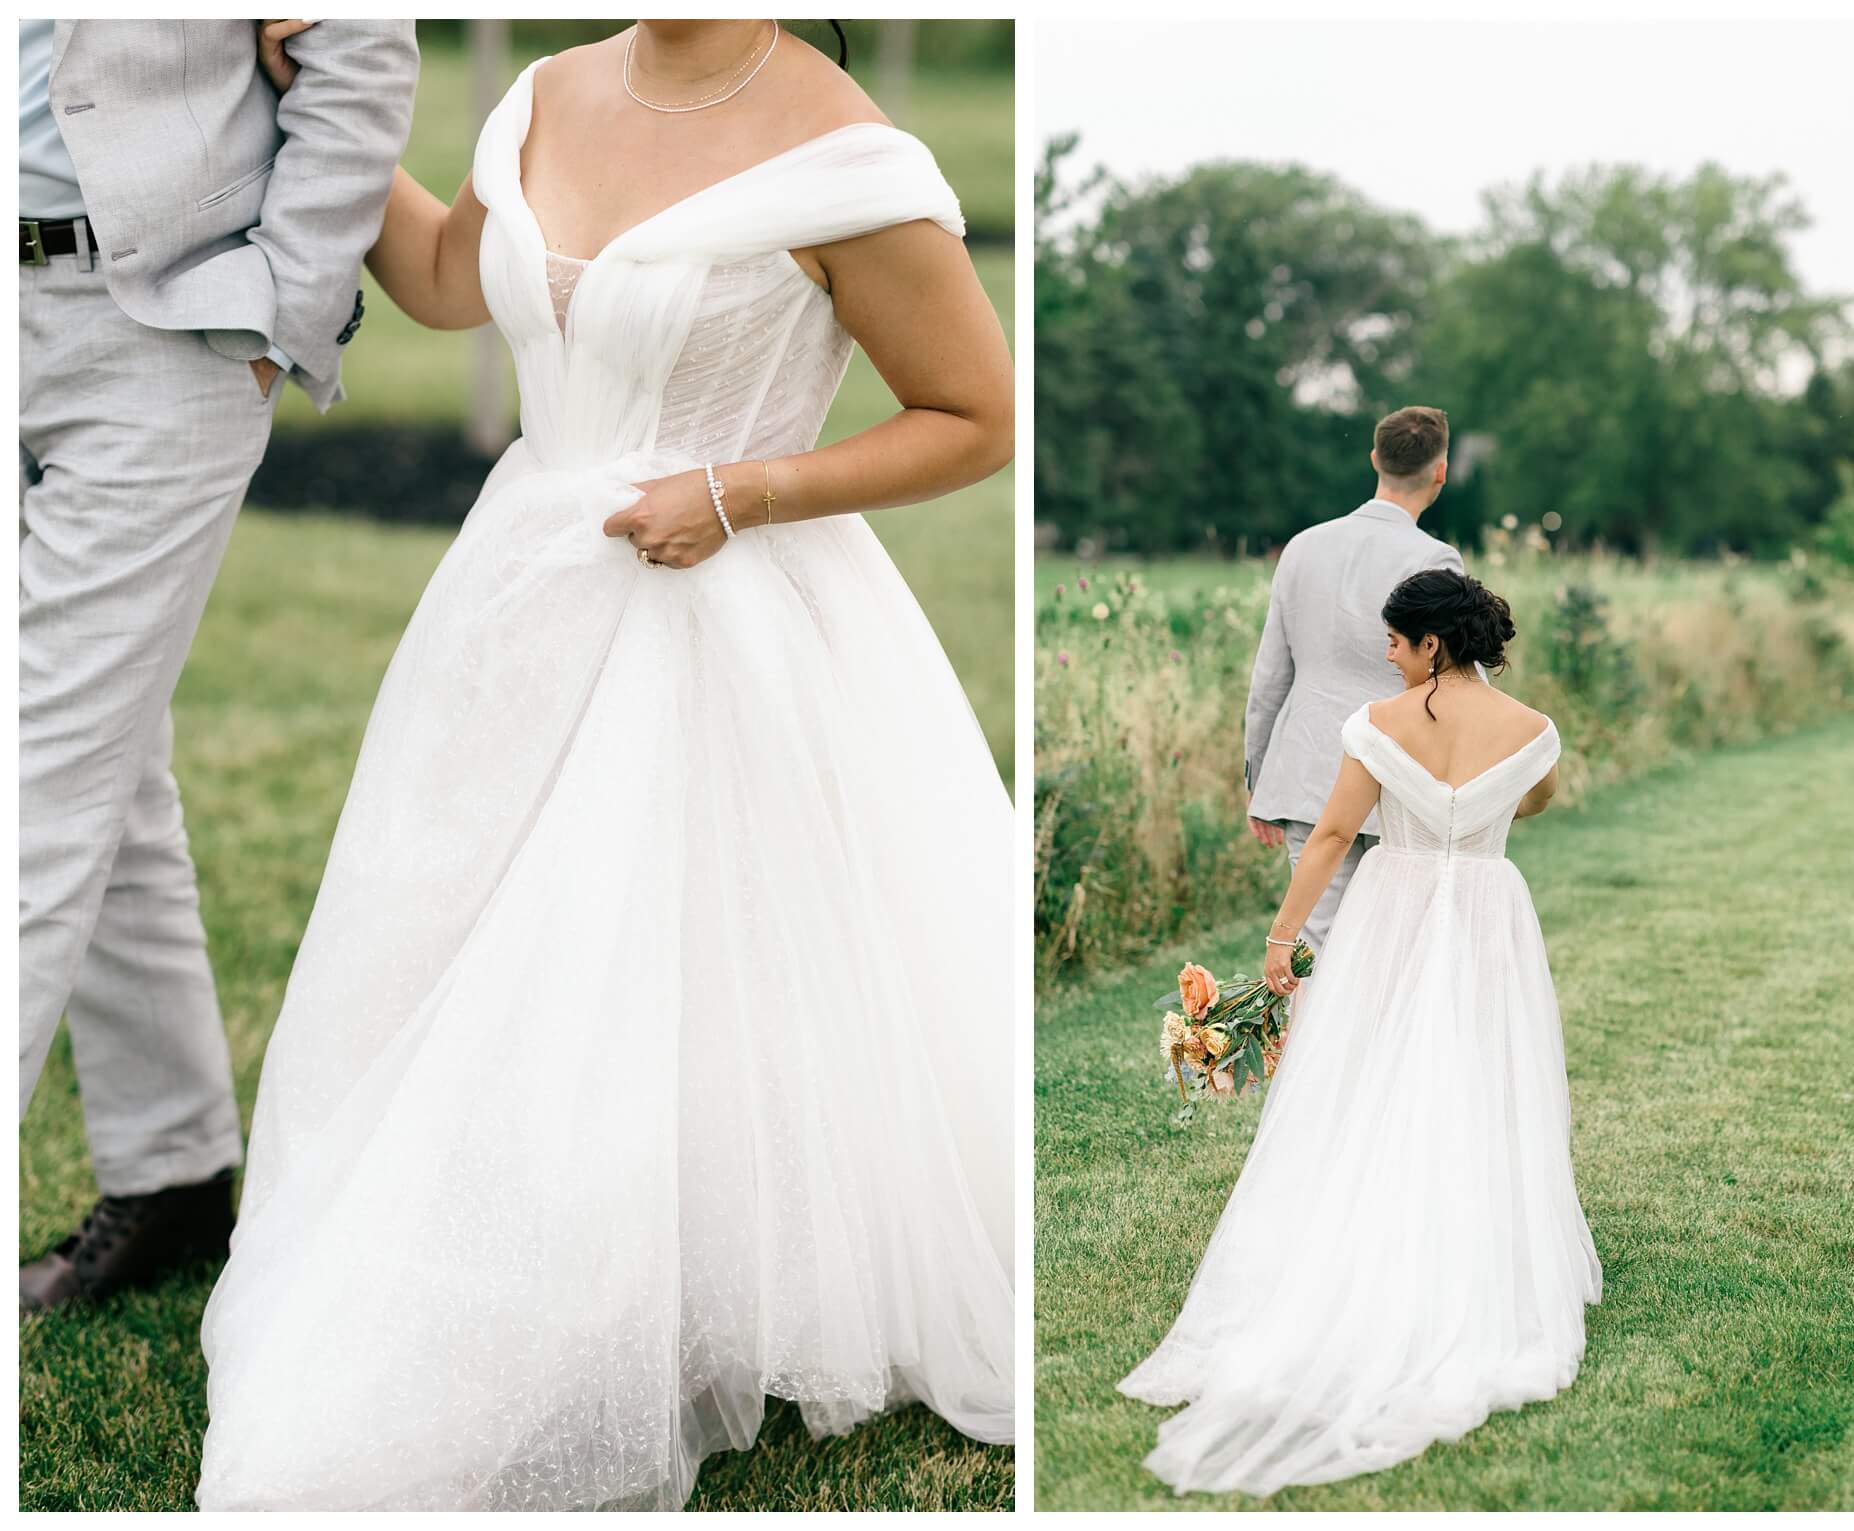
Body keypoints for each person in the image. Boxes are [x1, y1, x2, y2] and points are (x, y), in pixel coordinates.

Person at [194, 19, 1015, 1510]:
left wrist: (742, 485)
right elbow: (453, 279)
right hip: (516, 596)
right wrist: (327, 103)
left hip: (727, 603)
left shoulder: (848, 157)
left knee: (666, 957)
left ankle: (672, 1281)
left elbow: (975, 416)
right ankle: (494, 1247)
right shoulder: (548, 87)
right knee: (464, 937)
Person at [17, 18, 418, 1312]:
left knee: (33, 779)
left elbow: (359, 55)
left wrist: (283, 309)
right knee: (102, 766)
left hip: (158, 331)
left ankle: (179, 1167)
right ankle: (179, 1168)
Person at [1122, 568, 1602, 1496]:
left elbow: (1336, 835)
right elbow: (1534, 801)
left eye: (1394, 638)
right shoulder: (1532, 728)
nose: (1385, 652)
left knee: (1375, 1072)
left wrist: (1280, 937)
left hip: (1397, 904)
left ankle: (1380, 1236)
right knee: (1479, 1072)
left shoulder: (1380, 727)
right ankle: (1470, 1242)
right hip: (1489, 907)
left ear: (1432, 644)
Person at [1242, 405, 1471, 959]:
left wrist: (1258, 778)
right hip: (1403, 775)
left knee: (1313, 946)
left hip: (1309, 774)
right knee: (1394, 950)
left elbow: (1271, 674)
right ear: (1440, 471)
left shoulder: (1303, 546)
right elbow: (1461, 682)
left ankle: (1310, 1046)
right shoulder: (1436, 560)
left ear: (1374, 458)